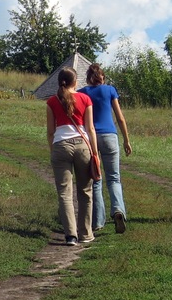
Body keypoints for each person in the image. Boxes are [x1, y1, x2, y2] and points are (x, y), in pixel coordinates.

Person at [46, 67, 99, 245]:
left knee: (64, 193)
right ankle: (85, 233)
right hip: (82, 145)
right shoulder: (85, 99)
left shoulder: (52, 101)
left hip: (60, 146)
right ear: (75, 82)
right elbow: (90, 128)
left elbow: (50, 132)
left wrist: (53, 150)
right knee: (85, 191)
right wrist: (95, 152)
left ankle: (70, 235)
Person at [79, 64, 132, 234]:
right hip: (110, 135)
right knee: (114, 178)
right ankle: (118, 211)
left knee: (96, 179)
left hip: (90, 137)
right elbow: (120, 118)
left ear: (88, 77)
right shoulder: (110, 90)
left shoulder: (82, 93)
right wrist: (126, 140)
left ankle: (98, 221)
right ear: (103, 77)